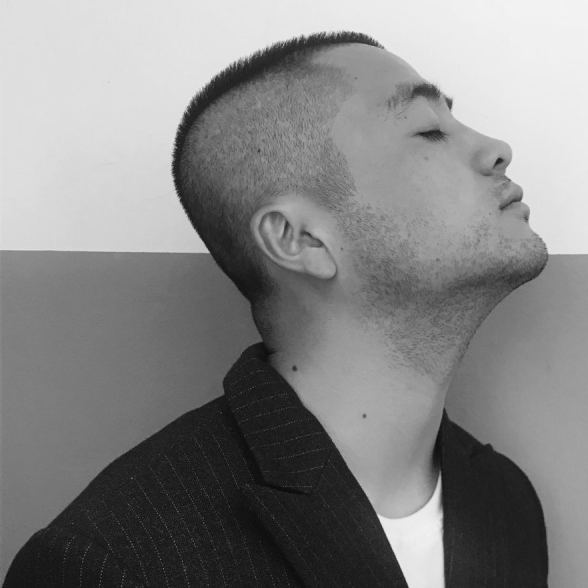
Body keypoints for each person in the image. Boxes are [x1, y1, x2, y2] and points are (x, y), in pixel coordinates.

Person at [4, 32, 549, 587]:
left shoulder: (504, 502)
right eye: (429, 130)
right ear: (299, 239)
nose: (496, 148)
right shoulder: (110, 563)